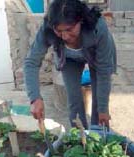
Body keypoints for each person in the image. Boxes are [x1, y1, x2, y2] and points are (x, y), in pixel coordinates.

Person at [24, 0, 116, 129]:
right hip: (68, 59)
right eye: (59, 31)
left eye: (69, 29)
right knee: (74, 101)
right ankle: (80, 138)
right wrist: (35, 98)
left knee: (98, 103)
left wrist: (103, 109)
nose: (65, 36)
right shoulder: (47, 28)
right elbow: (31, 62)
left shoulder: (97, 27)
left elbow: (104, 70)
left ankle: (97, 135)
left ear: (81, 21)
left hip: (96, 57)